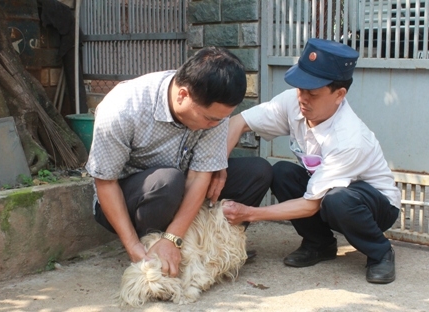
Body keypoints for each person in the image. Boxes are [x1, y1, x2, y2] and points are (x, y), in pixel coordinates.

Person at [221, 38, 401, 284]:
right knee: (282, 172)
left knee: (338, 199)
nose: (303, 98)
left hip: (374, 204)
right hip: (330, 192)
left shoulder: (349, 138)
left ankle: (380, 252)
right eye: (300, 88)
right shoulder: (293, 102)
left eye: (312, 93)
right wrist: (219, 169)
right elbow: (238, 122)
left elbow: (311, 205)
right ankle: (320, 244)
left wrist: (249, 213)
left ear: (339, 95)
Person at [85, 47, 272, 278]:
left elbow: (198, 176)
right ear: (182, 95)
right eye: (210, 119)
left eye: (221, 119)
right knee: (167, 182)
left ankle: (208, 249)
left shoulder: (214, 110)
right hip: (131, 197)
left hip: (180, 185)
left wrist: (173, 237)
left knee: (258, 171)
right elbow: (105, 182)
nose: (216, 125)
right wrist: (133, 246)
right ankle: (152, 251)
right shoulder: (122, 109)